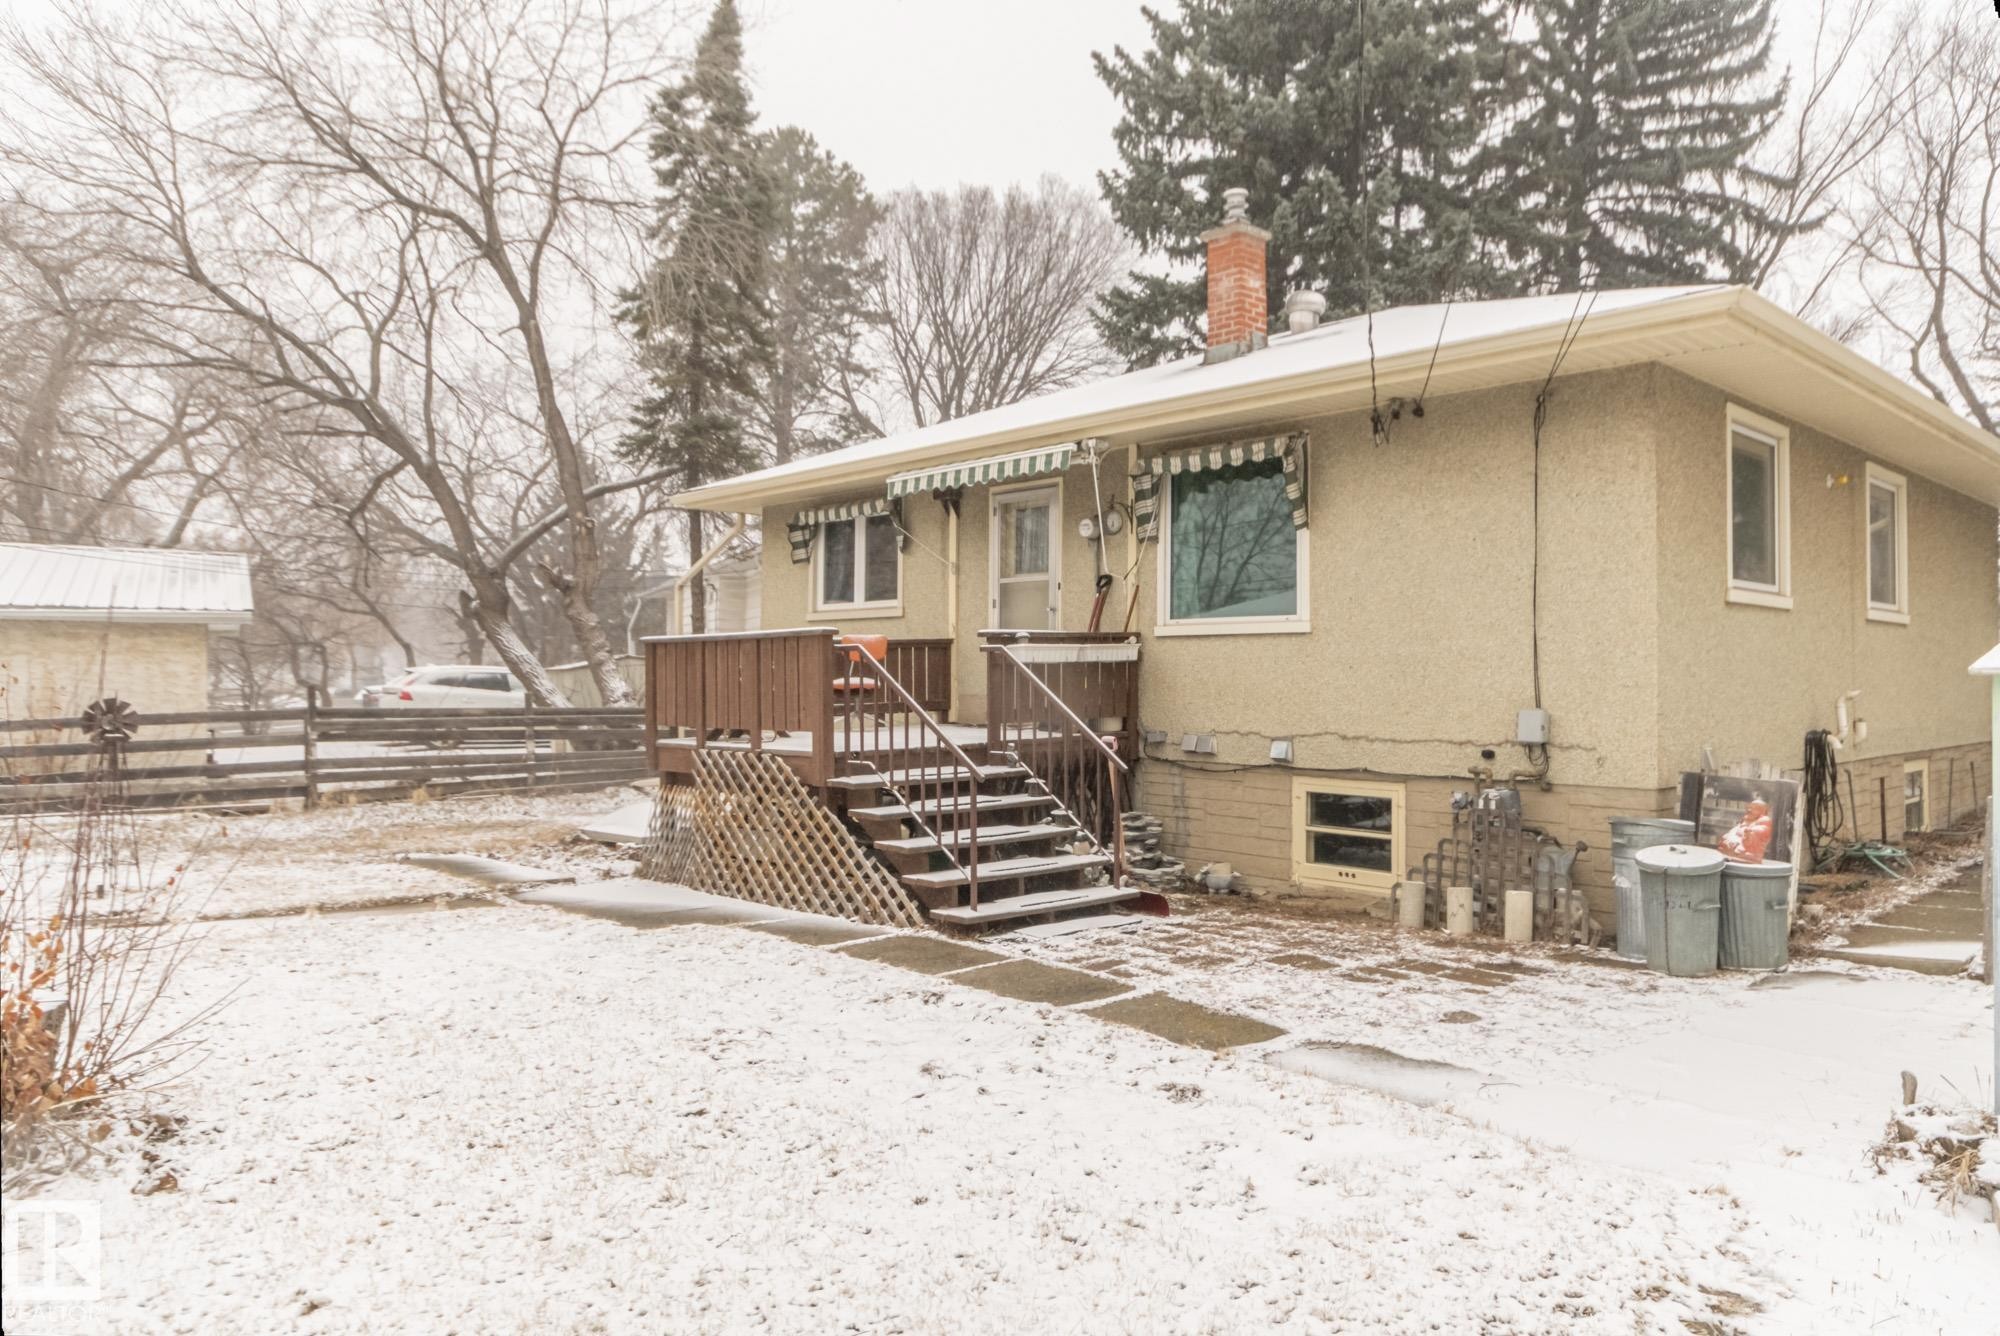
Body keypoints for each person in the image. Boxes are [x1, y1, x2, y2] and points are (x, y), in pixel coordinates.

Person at [1718, 798, 1774, 863]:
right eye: (1749, 807)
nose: (1749, 810)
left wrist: (1749, 831)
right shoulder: (1746, 820)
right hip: (1729, 852)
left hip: (1747, 854)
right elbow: (1735, 831)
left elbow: (1763, 830)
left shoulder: (1764, 820)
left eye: (1755, 808)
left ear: (1763, 811)